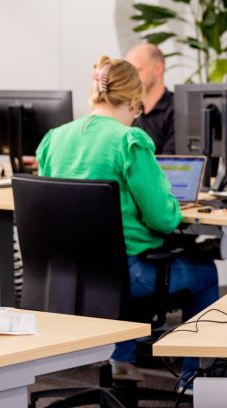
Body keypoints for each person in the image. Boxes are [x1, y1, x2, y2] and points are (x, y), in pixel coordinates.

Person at [36, 55, 217, 386]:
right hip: (128, 275)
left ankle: (122, 366)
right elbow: (162, 219)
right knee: (205, 272)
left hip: (71, 275)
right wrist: (176, 207)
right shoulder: (129, 141)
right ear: (134, 102)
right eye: (138, 111)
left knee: (126, 269)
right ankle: (194, 382)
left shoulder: (55, 139)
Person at [126, 43, 175, 154]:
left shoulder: (177, 109)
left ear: (158, 69)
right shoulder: (126, 110)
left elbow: (171, 164)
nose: (130, 78)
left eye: (137, 70)